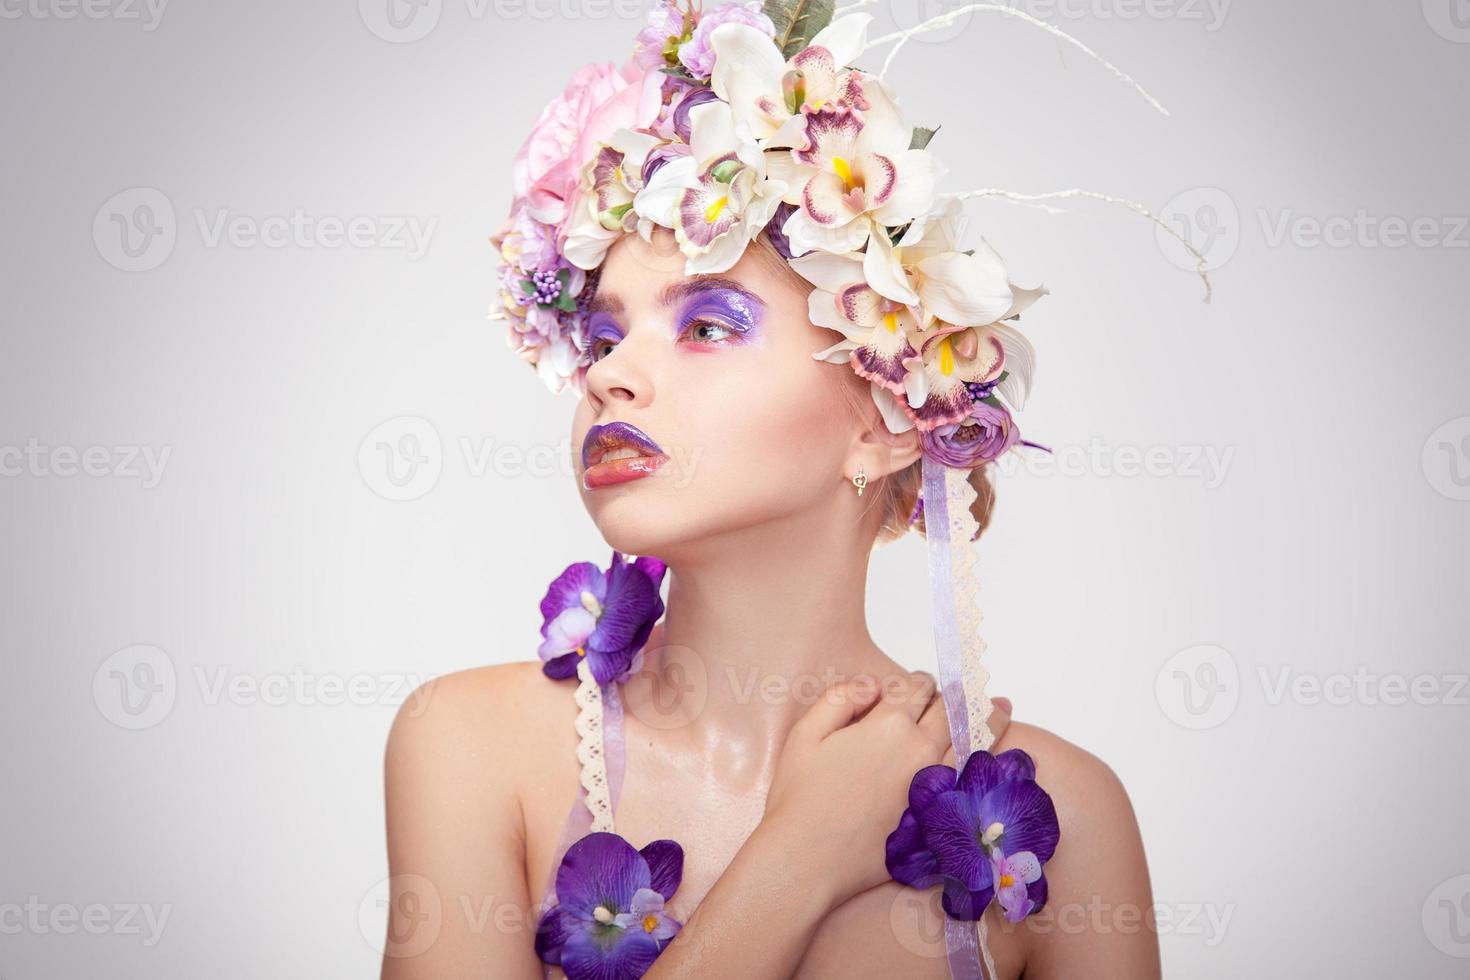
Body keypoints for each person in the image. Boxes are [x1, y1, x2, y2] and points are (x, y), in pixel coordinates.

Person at [385, 3, 1163, 975]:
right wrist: (805, 849)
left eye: (709, 325)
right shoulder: (467, 747)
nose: (606, 375)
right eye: (605, 335)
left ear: (883, 424)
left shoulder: (1068, 817)